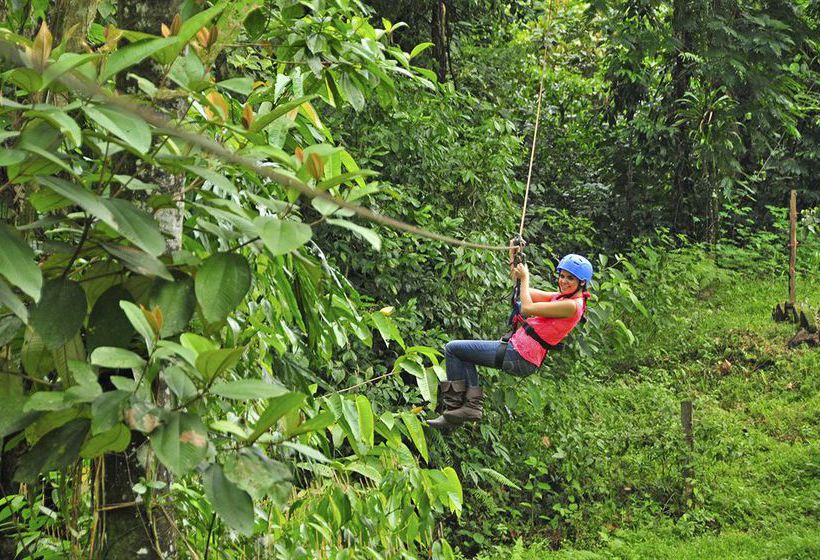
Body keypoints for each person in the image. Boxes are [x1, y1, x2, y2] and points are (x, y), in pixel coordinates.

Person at [427, 244, 592, 430]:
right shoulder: (561, 298)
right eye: (562, 276)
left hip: (520, 355)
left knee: (453, 349)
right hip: (517, 350)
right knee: (460, 353)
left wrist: (526, 276)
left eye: (570, 278)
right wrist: (514, 257)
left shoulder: (572, 306)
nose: (564, 281)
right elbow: (522, 289)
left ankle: (460, 411)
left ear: (582, 282)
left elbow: (527, 307)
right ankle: (462, 411)